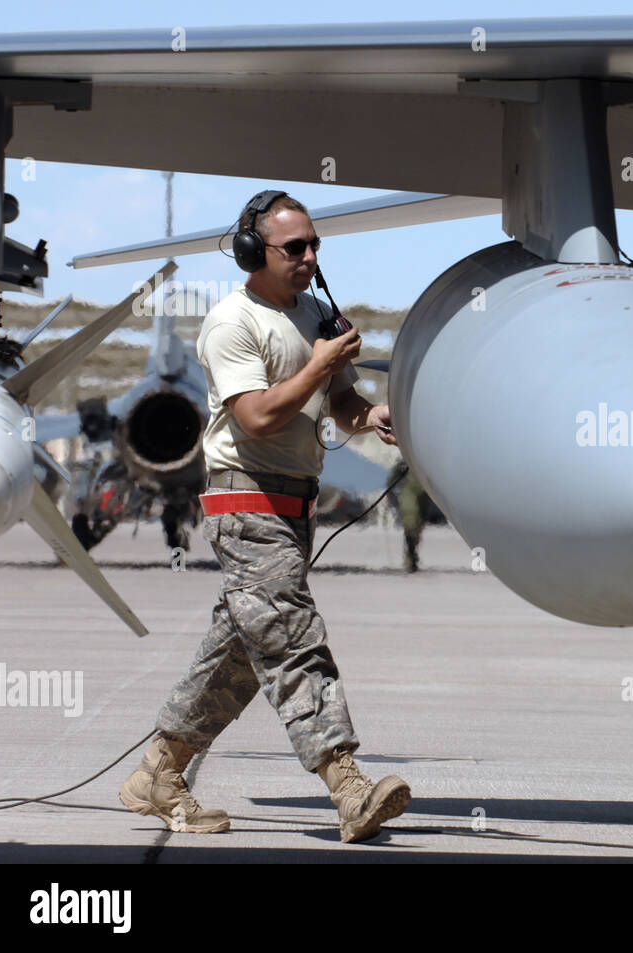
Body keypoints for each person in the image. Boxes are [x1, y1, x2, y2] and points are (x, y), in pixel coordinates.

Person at [119, 191, 410, 843]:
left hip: (294, 504)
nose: (309, 257)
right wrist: (320, 363)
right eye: (295, 247)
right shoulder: (232, 322)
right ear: (254, 251)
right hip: (244, 498)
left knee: (243, 653)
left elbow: (338, 402)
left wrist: (370, 415)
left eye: (315, 246)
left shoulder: (313, 313)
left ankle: (157, 773)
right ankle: (348, 785)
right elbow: (256, 416)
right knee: (289, 634)